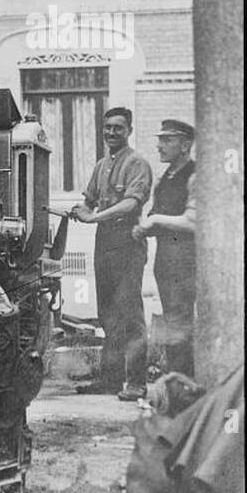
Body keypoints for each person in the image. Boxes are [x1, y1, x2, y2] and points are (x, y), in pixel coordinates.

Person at [71, 107, 154, 401]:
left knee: (131, 315)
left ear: (129, 130)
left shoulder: (137, 163)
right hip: (104, 242)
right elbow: (88, 201)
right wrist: (81, 211)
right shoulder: (101, 165)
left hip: (127, 242)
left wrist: (94, 217)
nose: (111, 133)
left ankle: (137, 384)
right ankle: (110, 380)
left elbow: (131, 204)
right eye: (107, 127)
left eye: (118, 128)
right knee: (107, 315)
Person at [133, 119, 196, 378]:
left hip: (187, 260)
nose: (159, 145)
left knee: (180, 324)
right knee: (171, 321)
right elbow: (156, 217)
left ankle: (183, 386)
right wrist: (144, 228)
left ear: (185, 145)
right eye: (160, 139)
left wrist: (155, 222)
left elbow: (193, 222)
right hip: (166, 261)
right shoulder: (164, 178)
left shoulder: (195, 176)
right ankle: (176, 384)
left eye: (167, 140)